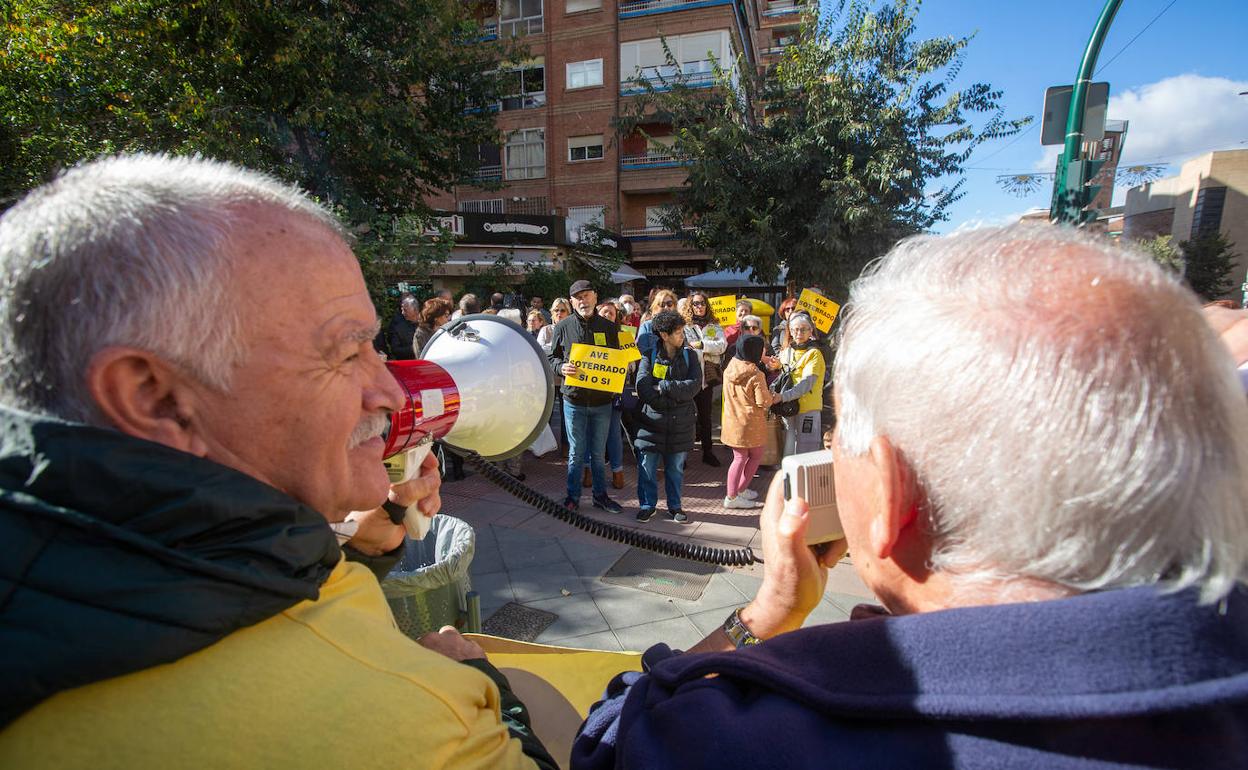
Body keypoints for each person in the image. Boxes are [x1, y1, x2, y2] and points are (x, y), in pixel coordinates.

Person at [572, 225, 1248, 769]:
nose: (831, 447)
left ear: (896, 495)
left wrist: (763, 618)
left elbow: (611, 734)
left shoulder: (747, 736)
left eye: (840, 433)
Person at [0, 154, 556, 769]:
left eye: (373, 347)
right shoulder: (421, 731)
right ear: (154, 397)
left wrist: (362, 548)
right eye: (346, 354)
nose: (391, 393)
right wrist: (491, 694)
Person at [547, 280, 624, 514]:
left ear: (595, 297)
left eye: (587, 295)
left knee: (599, 453)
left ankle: (600, 496)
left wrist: (625, 362)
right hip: (573, 400)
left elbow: (618, 359)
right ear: (572, 301)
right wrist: (562, 368)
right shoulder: (562, 327)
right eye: (578, 297)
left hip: (602, 401)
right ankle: (573, 497)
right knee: (576, 452)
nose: (583, 300)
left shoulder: (610, 327)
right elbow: (552, 358)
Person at [633, 310, 702, 523]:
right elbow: (642, 386)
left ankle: (675, 506)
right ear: (664, 335)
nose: (683, 336)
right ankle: (647, 505)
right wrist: (669, 399)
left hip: (680, 424)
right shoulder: (649, 356)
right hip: (651, 423)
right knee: (647, 467)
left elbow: (694, 386)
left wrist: (663, 386)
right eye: (679, 332)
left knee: (675, 469)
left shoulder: (690, 356)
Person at [720, 335, 778, 509]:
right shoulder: (756, 374)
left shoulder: (731, 366)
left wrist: (762, 361)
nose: (765, 351)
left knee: (739, 457)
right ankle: (733, 496)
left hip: (733, 421)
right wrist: (773, 396)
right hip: (751, 423)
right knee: (754, 456)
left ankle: (737, 491)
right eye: (762, 349)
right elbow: (764, 402)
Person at [582, 301, 626, 490]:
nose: (607, 315)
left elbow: (631, 364)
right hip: (588, 394)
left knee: (613, 435)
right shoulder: (587, 333)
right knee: (588, 434)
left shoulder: (624, 335)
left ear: (616, 317)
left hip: (612, 394)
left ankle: (617, 473)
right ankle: (588, 472)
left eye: (611, 313)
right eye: (604, 312)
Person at [682, 291, 728, 467]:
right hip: (688, 377)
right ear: (690, 306)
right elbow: (683, 347)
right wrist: (707, 350)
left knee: (705, 417)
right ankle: (684, 454)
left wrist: (702, 346)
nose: (699, 306)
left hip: (706, 380)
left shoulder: (714, 326)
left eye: (702, 303)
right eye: (695, 303)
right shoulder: (685, 326)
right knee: (686, 417)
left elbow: (722, 346)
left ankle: (708, 452)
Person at [775, 313, 825, 455]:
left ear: (811, 331)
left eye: (803, 329)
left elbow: (806, 384)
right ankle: (789, 476)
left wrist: (782, 397)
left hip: (807, 408)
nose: (799, 333)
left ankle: (805, 477)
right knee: (789, 447)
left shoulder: (814, 354)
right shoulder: (786, 351)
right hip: (788, 408)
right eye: (795, 329)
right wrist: (775, 365)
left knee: (806, 450)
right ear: (790, 331)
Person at [635, 289, 678, 359]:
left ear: (674, 306)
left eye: (669, 304)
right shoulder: (647, 326)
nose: (666, 307)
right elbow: (642, 351)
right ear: (655, 307)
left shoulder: (679, 326)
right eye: (662, 305)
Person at [386, 293, 421, 359]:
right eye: (402, 310)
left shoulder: (427, 323)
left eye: (405, 310)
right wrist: (415, 348)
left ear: (415, 310)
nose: (402, 313)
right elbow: (395, 350)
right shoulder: (398, 328)